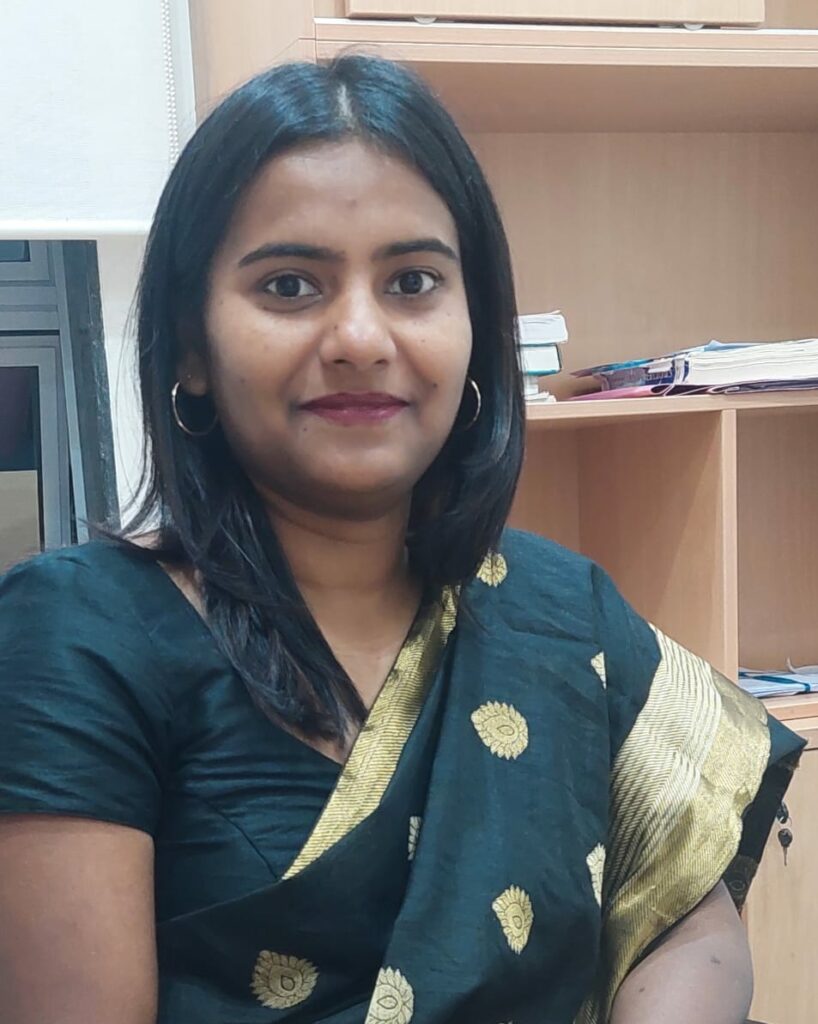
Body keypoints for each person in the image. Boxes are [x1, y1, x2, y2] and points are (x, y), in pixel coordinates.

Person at [0, 55, 804, 1024]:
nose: (359, 336)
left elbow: (687, 914)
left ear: (475, 325)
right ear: (190, 345)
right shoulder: (77, 633)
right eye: (289, 285)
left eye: (412, 281)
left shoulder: (560, 613)